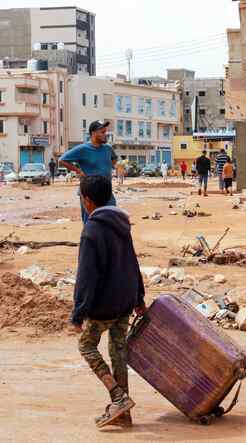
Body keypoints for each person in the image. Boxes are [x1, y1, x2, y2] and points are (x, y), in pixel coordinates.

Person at [70, 175, 146, 428]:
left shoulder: (91, 230)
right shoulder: (121, 224)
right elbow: (132, 262)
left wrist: (78, 313)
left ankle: (118, 397)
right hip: (124, 300)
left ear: (87, 200)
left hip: (103, 305)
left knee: (87, 346)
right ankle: (123, 413)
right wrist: (139, 298)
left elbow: (86, 277)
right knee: (118, 352)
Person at [59, 120, 117, 224]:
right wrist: (78, 171)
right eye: (103, 132)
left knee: (111, 219)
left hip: (107, 191)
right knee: (90, 222)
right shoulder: (82, 149)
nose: (106, 135)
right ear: (93, 133)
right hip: (89, 193)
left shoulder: (108, 148)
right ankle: (90, 240)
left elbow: (114, 159)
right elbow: (62, 160)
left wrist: (116, 166)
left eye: (106, 132)